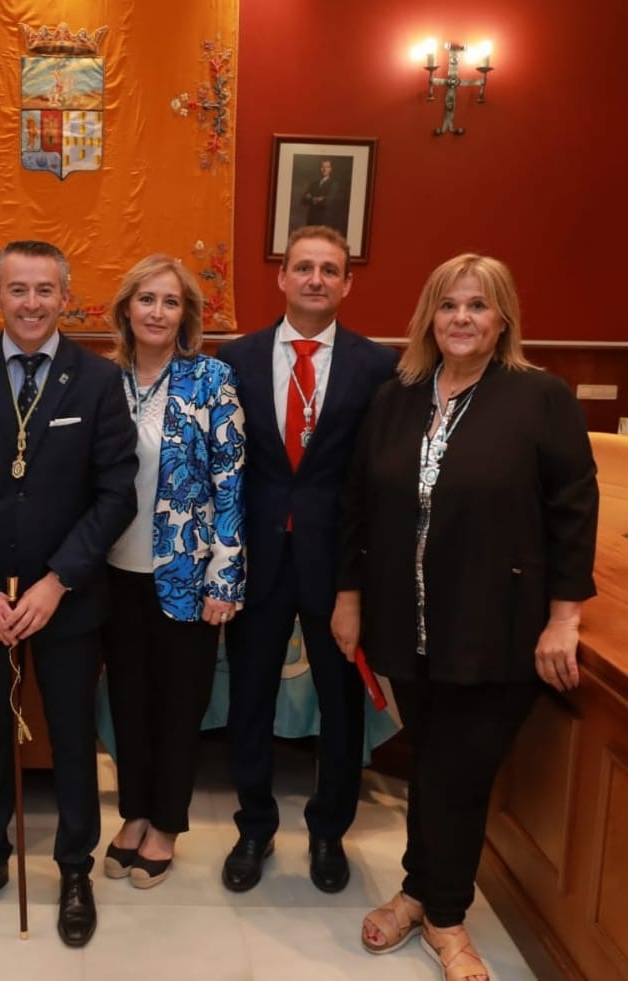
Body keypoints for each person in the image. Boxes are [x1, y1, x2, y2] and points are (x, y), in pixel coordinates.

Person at [332, 254, 597, 981]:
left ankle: (445, 918)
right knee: (433, 763)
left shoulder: (539, 397)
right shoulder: (397, 396)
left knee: (458, 772)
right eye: (448, 305)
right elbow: (357, 504)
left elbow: (574, 512)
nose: (461, 318)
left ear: (502, 318)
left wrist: (565, 619)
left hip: (497, 626)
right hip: (408, 625)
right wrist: (349, 597)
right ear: (429, 317)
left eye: (478, 305)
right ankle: (420, 892)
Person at [0, 240, 138, 948]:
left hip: (66, 598)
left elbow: (116, 495)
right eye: (17, 289)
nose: (31, 303)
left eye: (44, 289)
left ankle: (74, 867)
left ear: (65, 298)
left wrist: (57, 581)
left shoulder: (97, 380)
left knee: (73, 735)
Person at [217, 225, 398, 895]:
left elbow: (377, 476)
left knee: (341, 707)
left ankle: (329, 831)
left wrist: (362, 576)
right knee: (249, 699)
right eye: (303, 267)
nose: (315, 278)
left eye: (329, 269)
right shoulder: (234, 358)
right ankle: (254, 825)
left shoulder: (378, 367)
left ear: (347, 283)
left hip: (340, 565)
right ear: (282, 277)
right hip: (256, 558)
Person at [100, 255, 246, 889]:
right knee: (128, 702)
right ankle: (134, 812)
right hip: (111, 572)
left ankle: (165, 824)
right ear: (126, 309)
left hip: (187, 574)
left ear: (185, 314)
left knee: (179, 705)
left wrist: (224, 578)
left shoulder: (211, 378)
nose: (157, 312)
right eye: (146, 299)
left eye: (170, 301)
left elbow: (231, 481)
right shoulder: (103, 380)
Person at [299, 159, 347, 233]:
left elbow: (327, 202)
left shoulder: (334, 184)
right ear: (320, 168)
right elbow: (303, 200)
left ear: (330, 169)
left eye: (327, 167)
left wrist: (312, 198)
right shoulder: (313, 183)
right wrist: (318, 199)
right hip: (311, 219)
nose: (324, 169)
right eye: (322, 167)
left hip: (324, 220)